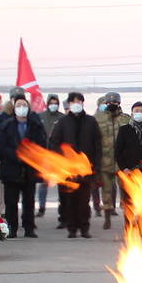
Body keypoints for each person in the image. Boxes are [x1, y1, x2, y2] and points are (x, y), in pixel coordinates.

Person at [48, 90, 102, 238]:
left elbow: (98, 145)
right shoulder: (63, 122)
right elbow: (54, 143)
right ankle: (72, 228)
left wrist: (96, 165)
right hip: (67, 169)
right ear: (69, 104)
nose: (76, 104)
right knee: (69, 200)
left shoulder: (91, 121)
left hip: (86, 168)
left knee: (84, 201)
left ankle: (84, 228)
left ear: (83, 103)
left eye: (79, 102)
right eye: (73, 102)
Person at [0, 93, 47, 238]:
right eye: (18, 106)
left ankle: (29, 228)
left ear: (28, 107)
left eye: (24, 105)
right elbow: (1, 147)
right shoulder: (6, 125)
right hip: (11, 169)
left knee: (29, 201)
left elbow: (41, 144)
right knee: (11, 202)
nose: (21, 108)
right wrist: (18, 155)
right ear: (14, 108)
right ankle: (12, 227)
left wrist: (30, 155)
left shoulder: (35, 125)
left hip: (29, 169)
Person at [94, 91, 131, 230]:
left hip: (123, 163)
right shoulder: (98, 119)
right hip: (105, 161)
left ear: (119, 103)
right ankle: (107, 218)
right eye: (108, 103)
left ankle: (128, 219)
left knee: (127, 192)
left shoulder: (126, 119)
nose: (111, 105)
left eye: (114, 102)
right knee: (107, 192)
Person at [37, 94, 63, 219]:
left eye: (55, 103)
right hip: (44, 155)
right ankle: (41, 207)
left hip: (58, 156)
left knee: (61, 183)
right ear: (48, 103)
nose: (54, 105)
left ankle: (62, 208)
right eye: (51, 103)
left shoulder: (62, 117)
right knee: (43, 183)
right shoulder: (40, 117)